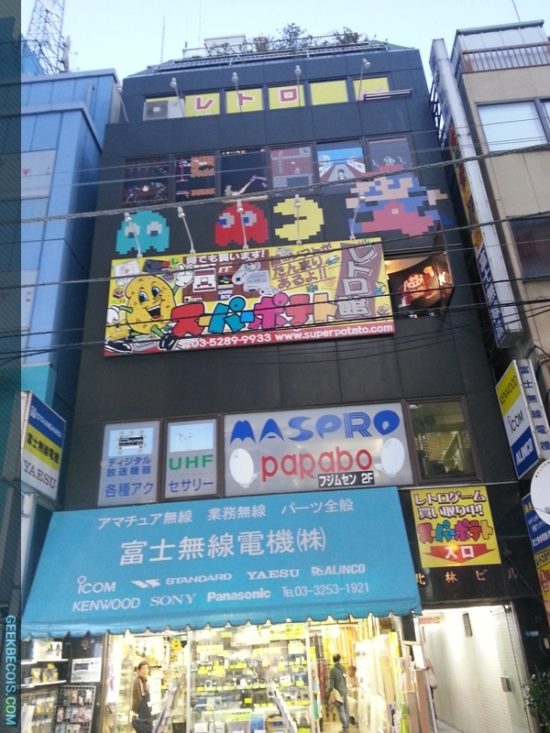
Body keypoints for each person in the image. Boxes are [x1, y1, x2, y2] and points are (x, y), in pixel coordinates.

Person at [329, 653, 349, 733]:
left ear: (333, 660)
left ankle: (345, 727)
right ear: (339, 659)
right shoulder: (343, 668)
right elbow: (345, 680)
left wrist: (330, 692)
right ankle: (346, 726)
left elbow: (332, 684)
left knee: (341, 710)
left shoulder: (333, 670)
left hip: (338, 693)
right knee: (345, 709)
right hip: (344, 691)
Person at [132, 661, 153, 733]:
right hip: (141, 717)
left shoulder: (145, 682)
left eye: (147, 668)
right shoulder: (137, 682)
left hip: (145, 716)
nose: (145, 671)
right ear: (139, 670)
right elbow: (137, 700)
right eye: (143, 668)